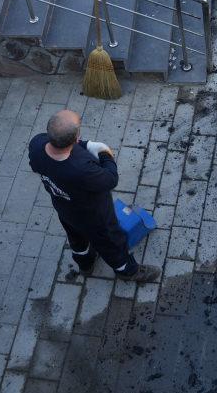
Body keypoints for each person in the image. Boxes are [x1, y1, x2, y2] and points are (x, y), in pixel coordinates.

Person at [29, 110, 161, 283]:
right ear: (75, 139)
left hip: (65, 210)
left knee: (77, 239)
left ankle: (85, 265)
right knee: (112, 243)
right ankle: (127, 270)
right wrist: (105, 153)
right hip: (95, 217)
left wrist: (84, 145)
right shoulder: (82, 170)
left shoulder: (37, 145)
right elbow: (110, 179)